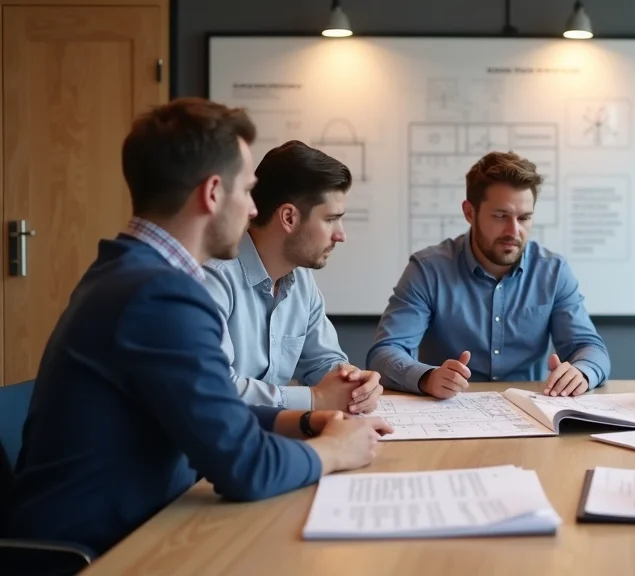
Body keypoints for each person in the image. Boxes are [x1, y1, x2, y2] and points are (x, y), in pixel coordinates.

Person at [1, 98, 392, 559]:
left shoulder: (130, 271)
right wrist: (336, 451)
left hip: (139, 526)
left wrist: (303, 420)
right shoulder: (161, 295)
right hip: (100, 553)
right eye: (247, 191)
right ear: (212, 194)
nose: (252, 210)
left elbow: (212, 412)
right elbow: (245, 467)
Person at [367, 151, 611, 399]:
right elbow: (386, 352)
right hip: (449, 413)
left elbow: (590, 348)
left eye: (524, 218)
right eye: (500, 216)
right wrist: (427, 377)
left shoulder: (553, 272)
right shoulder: (429, 270)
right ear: (470, 213)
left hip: (531, 414)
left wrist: (582, 372)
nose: (513, 231)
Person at [203, 140, 382, 414]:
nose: (341, 234)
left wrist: (354, 384)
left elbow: (324, 361)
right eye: (331, 219)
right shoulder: (213, 278)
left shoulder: (301, 281)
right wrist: (315, 399)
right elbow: (216, 389)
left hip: (272, 438)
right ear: (289, 217)